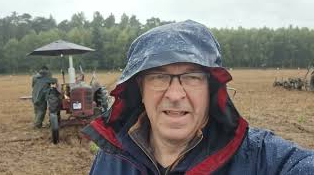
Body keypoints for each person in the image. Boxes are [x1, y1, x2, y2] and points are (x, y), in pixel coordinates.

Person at [82, 20, 314, 174]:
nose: (174, 94)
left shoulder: (259, 158)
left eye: (192, 77)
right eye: (158, 77)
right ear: (140, 89)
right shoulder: (111, 159)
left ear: (211, 89)